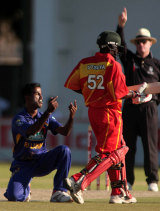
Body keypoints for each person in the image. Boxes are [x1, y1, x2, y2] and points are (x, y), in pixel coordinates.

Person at [64, 31, 138, 204]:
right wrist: (136, 94)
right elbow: (120, 93)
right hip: (110, 113)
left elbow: (73, 84)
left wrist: (92, 93)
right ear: (111, 46)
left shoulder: (85, 63)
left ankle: (119, 192)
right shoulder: (113, 65)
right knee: (112, 152)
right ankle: (79, 180)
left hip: (93, 112)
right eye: (116, 48)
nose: (117, 51)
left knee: (117, 148)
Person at [4, 82, 77, 202]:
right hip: (23, 164)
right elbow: (30, 131)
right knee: (14, 197)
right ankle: (26, 187)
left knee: (64, 151)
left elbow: (64, 132)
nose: (41, 98)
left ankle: (58, 192)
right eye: (37, 94)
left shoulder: (45, 116)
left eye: (41, 94)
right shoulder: (19, 118)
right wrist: (48, 112)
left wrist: (72, 117)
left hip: (42, 161)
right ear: (27, 97)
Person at [117, 8, 160, 192]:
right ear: (136, 44)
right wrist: (121, 26)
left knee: (150, 145)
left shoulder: (156, 64)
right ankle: (128, 180)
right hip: (130, 106)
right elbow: (119, 48)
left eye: (145, 42)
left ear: (150, 44)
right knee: (129, 146)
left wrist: (155, 101)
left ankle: (152, 180)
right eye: (139, 42)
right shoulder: (130, 59)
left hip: (149, 108)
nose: (142, 44)